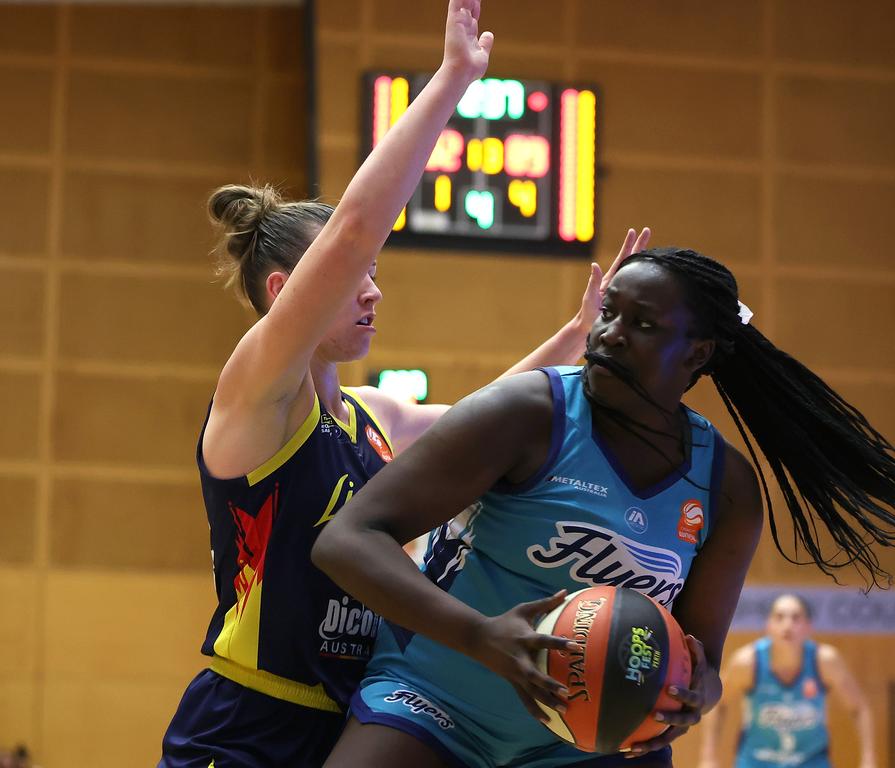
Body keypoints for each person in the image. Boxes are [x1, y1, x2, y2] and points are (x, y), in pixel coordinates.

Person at [159, 3, 644, 765]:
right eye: (356, 277)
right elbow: (355, 226)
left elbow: (481, 424)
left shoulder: (370, 413)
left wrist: (576, 336)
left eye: (376, 276)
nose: (373, 290)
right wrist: (452, 81)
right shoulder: (255, 398)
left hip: (352, 716)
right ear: (288, 293)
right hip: (252, 721)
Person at [311, 247, 895, 768]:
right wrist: (480, 637)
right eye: (608, 314)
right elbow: (348, 539)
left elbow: (698, 657)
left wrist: (696, 692)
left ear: (697, 355)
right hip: (436, 697)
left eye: (641, 325)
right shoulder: (524, 413)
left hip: (587, 739)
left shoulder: (725, 486)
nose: (610, 335)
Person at [697, 594, 875, 768]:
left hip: (812, 760)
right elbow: (717, 704)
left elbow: (859, 707)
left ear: (808, 626)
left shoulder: (825, 661)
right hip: (757, 761)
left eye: (796, 618)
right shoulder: (748, 662)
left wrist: (869, 759)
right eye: (779, 617)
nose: (787, 625)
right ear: (768, 625)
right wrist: (708, 758)